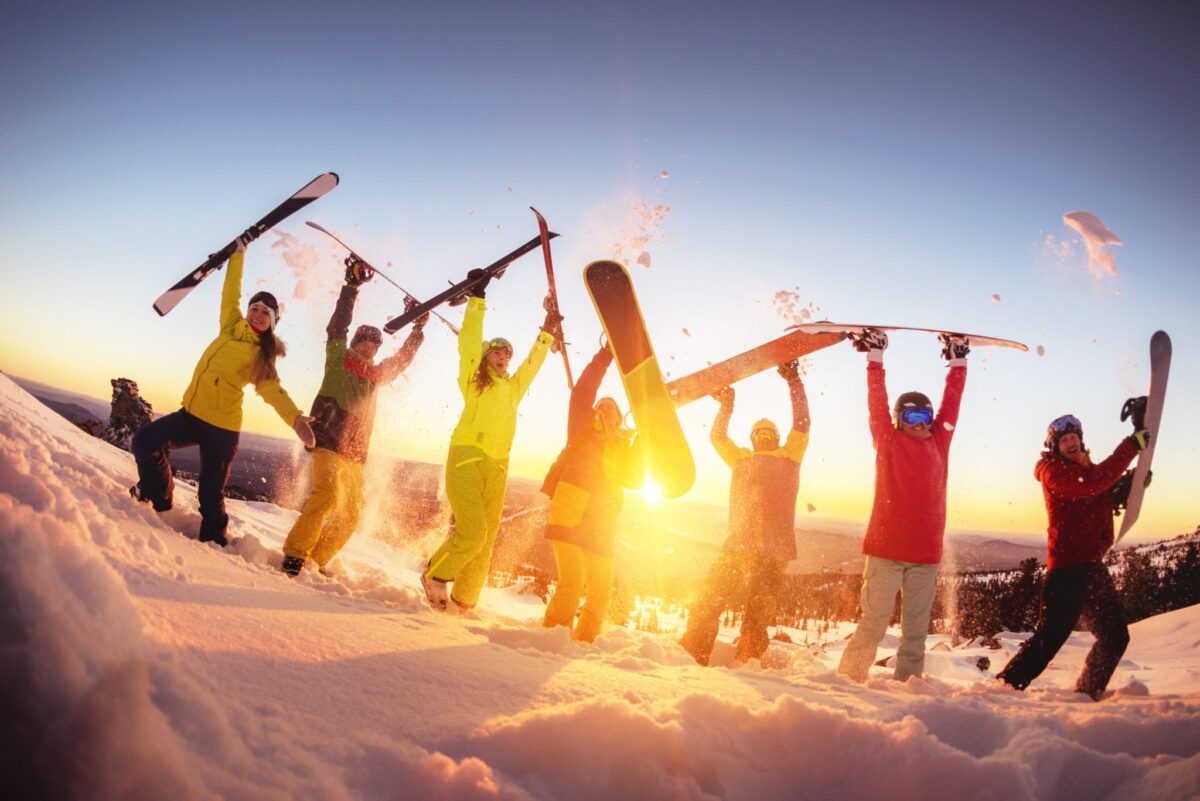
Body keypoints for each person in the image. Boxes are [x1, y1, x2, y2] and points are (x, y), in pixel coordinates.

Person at [131, 235, 314, 546]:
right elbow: (230, 294)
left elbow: (273, 391)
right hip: (191, 415)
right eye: (254, 308)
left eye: (264, 314)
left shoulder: (261, 356)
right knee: (144, 442)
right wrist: (237, 256)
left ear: (272, 323)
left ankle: (214, 545)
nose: (256, 314)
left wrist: (295, 419)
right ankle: (158, 500)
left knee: (210, 493)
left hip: (222, 429)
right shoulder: (230, 325)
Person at [420, 270, 561, 612]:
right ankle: (435, 575)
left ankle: (465, 600)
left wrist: (547, 330)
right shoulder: (474, 380)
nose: (504, 357)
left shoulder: (512, 389)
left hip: (498, 467)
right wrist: (477, 298)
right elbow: (469, 342)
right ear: (485, 356)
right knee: (472, 531)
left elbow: (531, 365)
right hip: (467, 457)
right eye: (497, 352)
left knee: (484, 540)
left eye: (507, 354)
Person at [280, 256, 429, 577]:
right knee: (327, 496)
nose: (371, 347)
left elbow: (402, 359)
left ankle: (317, 561)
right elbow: (337, 326)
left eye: (376, 344)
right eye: (365, 340)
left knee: (350, 513)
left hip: (355, 453)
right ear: (355, 341)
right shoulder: (338, 358)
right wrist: (351, 286)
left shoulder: (376, 376)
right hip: (327, 442)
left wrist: (417, 328)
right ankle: (295, 556)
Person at [837, 330, 967, 683]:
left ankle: (908, 688)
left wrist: (958, 362)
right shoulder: (887, 441)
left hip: (925, 556)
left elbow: (952, 405)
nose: (922, 424)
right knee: (874, 624)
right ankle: (846, 683)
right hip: (885, 551)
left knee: (915, 633)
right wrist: (874, 358)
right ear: (898, 421)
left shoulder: (941, 441)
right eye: (912, 419)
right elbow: (875, 403)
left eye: (925, 416)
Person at [997, 412, 1149, 700]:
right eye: (1064, 440)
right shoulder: (1053, 471)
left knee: (1115, 636)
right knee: (1050, 638)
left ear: (1081, 441)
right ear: (1055, 447)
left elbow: (1096, 491)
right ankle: (1004, 687)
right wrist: (1130, 446)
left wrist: (1128, 484)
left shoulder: (1087, 470)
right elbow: (1089, 484)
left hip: (1091, 566)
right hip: (1067, 570)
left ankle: (1087, 691)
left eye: (1073, 438)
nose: (1070, 443)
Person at [679, 360, 810, 666]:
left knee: (756, 616)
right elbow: (718, 439)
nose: (763, 436)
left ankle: (748, 663)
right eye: (758, 433)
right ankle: (690, 656)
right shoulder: (740, 458)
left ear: (776, 437)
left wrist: (794, 381)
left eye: (769, 432)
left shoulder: (791, 455)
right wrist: (726, 405)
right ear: (752, 438)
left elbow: (802, 424)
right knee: (708, 603)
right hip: (738, 544)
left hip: (774, 550)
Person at [541, 343, 644, 642]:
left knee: (600, 593)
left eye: (611, 408)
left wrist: (641, 442)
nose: (604, 409)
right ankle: (549, 643)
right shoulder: (581, 429)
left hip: (601, 525)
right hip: (571, 513)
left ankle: (583, 643)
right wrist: (605, 356)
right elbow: (583, 391)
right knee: (571, 585)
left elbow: (635, 479)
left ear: (619, 418)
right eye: (601, 406)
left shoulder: (623, 447)